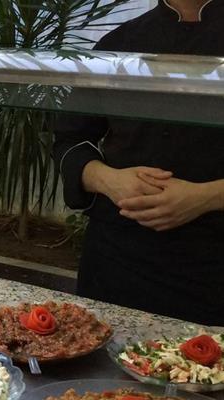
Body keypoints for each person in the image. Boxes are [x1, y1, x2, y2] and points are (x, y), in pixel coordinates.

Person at [53, 0, 224, 325]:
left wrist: (206, 197)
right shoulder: (118, 45)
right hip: (117, 259)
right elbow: (68, 141)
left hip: (212, 265)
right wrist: (108, 180)